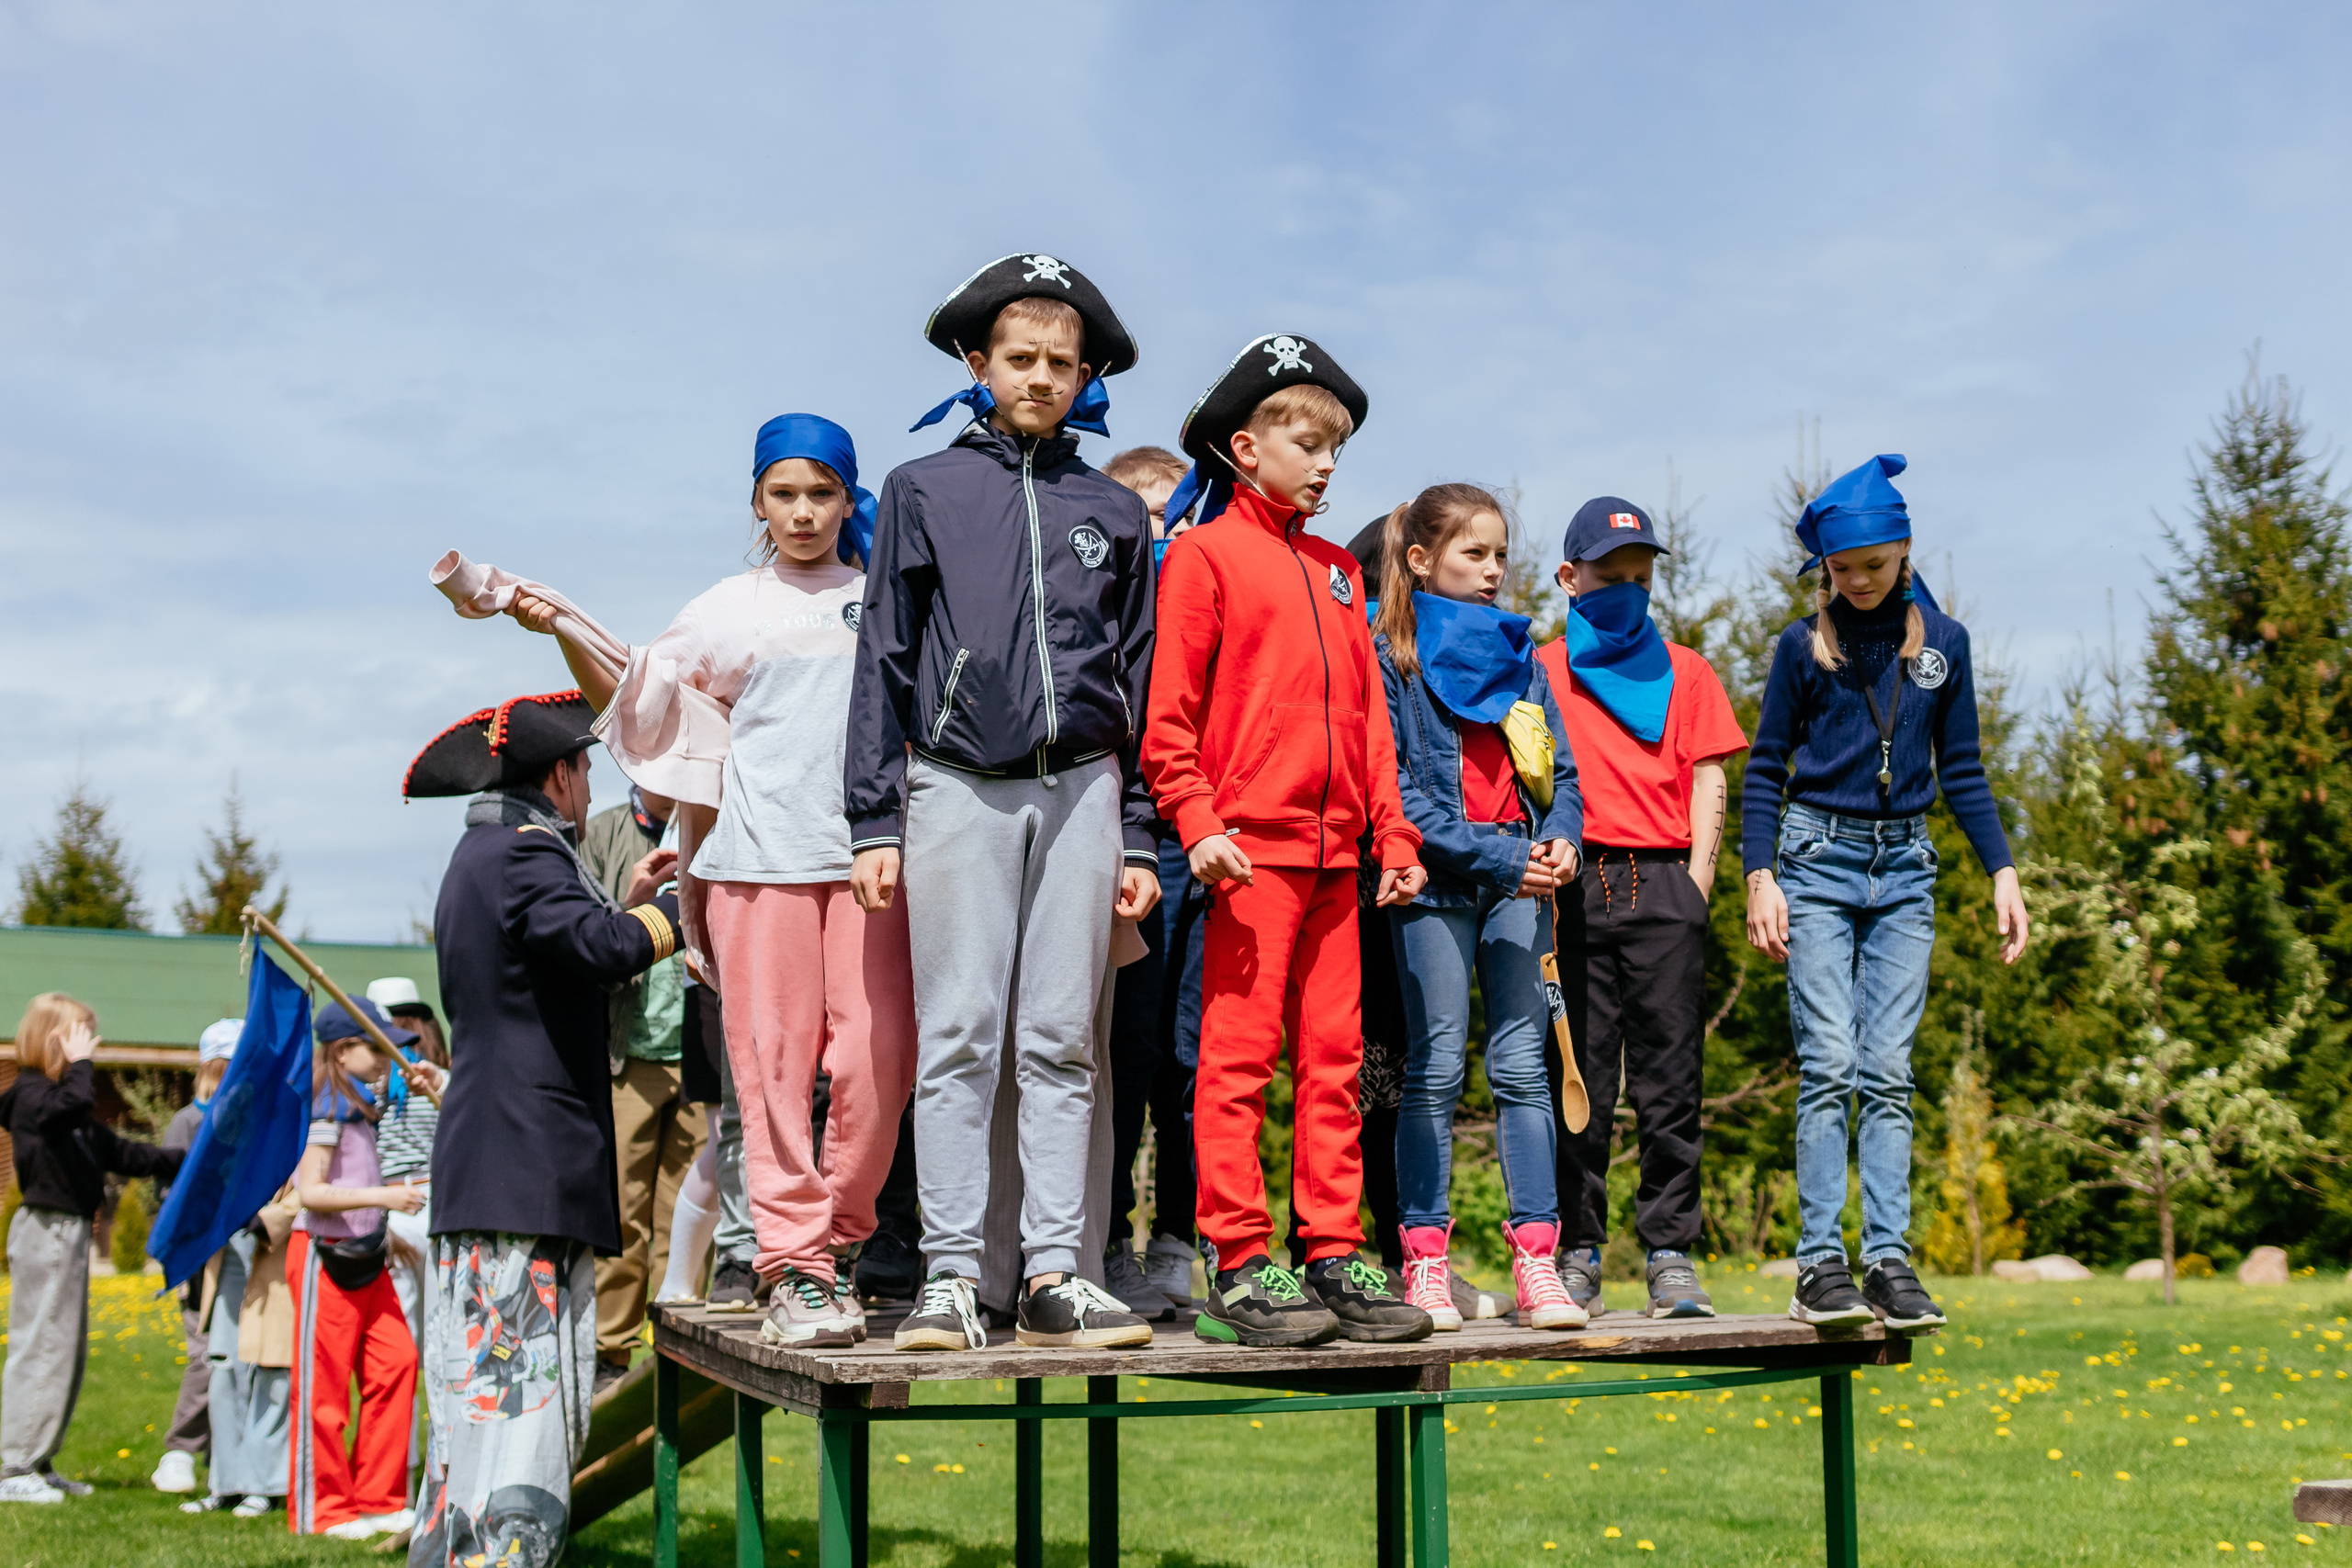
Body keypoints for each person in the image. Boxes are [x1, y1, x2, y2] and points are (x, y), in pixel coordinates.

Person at [523, 412, 917, 1353]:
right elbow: (639, 695)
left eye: (821, 492)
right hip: (752, 863)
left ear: (844, 497)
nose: (804, 511)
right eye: (783, 494)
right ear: (756, 503)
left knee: (878, 1057)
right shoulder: (725, 607)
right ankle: (794, 1265)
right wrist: (560, 625)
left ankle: (841, 1239)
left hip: (870, 860)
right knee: (772, 1072)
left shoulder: (886, 598)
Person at [845, 254, 1159, 1353]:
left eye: (1059, 365)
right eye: (1019, 359)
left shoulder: (1113, 509)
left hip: (1081, 790)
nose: (1038, 377)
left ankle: (1055, 1273)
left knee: (1062, 1038)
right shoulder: (925, 489)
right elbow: (884, 656)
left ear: (1085, 377)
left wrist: (1139, 832)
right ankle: (945, 1276)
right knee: (960, 1032)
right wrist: (873, 818)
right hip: (954, 787)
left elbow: (1140, 672)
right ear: (979, 366)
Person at [1143, 333, 1431, 1348]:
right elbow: (1166, 723)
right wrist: (1197, 821)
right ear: (1241, 445)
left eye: (1335, 451)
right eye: (1304, 442)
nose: (1322, 465)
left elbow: (1368, 721)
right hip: (1247, 854)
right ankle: (1236, 1259)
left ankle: (1333, 1252)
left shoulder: (1339, 574)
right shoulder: (1201, 556)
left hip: (1338, 861)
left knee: (1336, 1060)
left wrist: (1392, 836)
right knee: (1234, 1058)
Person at [1742, 454, 2029, 1335]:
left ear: (1905, 551)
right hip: (1816, 861)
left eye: (1874, 564)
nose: (1859, 582)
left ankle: (1890, 1260)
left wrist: (2003, 870)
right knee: (1829, 1063)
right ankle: (1820, 1263)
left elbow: (1967, 770)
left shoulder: (1945, 646)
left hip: (1905, 870)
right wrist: (1761, 876)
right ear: (1823, 570)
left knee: (1889, 1073)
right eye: (1842, 570)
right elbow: (1763, 770)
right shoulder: (1803, 647)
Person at [402, 689, 682, 1568]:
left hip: (493, 1167)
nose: (590, 784)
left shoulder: (478, 855)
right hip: (525, 1175)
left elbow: (555, 954)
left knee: (473, 1420)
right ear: (559, 776)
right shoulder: (528, 854)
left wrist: (615, 900)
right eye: (586, 768)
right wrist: (679, 913)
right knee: (519, 1423)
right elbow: (600, 950)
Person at [1374, 484, 1588, 1332]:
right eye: (1475, 553)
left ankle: (1538, 1261)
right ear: (1422, 560)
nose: (1495, 569)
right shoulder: (1392, 656)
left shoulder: (1523, 656)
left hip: (1522, 882)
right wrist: (1508, 855)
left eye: (1501, 554)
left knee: (1523, 1068)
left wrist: (1563, 838)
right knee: (1429, 1068)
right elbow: (1397, 796)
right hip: (1437, 881)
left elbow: (1559, 774)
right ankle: (1424, 1261)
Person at [1536, 497, 1751, 1320]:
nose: (1628, 589)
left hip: (1664, 883)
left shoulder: (1687, 670)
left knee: (1672, 1082)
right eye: (1609, 576)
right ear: (1570, 577)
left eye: (1641, 577)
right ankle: (1578, 1249)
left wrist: (1696, 884)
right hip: (1574, 883)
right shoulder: (1544, 666)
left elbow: (1709, 775)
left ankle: (1669, 1252)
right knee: (1578, 1075)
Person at [0, 993, 184, 1504]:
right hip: (49, 1231)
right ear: (54, 1039)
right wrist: (80, 1066)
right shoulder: (32, 1097)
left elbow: (125, 1153)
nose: (92, 1050)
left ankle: (38, 1459)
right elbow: (73, 1105)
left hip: (68, 1231)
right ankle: (14, 1468)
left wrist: (192, 1160)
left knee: (66, 1350)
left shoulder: (66, 1106)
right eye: (83, 1037)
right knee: (43, 1346)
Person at [1097, 442, 1201, 1317]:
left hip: (1204, 844)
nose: (1160, 531)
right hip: (1124, 845)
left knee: (1192, 1059)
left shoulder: (1204, 598)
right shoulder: (1101, 609)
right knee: (1124, 1053)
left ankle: (1178, 1239)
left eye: (1174, 513)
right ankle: (1107, 1241)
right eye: (1143, 515)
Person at [287, 998, 436, 1540]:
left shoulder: (361, 1104)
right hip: (323, 1257)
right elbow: (313, 1191)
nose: (388, 1057)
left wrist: (382, 1228)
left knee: (397, 1362)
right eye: (378, 1045)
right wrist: (389, 1199)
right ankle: (324, 1510)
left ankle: (378, 1497)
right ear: (345, 1049)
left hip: (367, 1254)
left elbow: (351, 1186)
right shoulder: (325, 1107)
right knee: (323, 1389)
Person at [571, 786, 706, 1389]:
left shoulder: (712, 817)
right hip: (627, 1056)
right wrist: (631, 902)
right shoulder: (600, 834)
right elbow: (582, 932)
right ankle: (611, 1352)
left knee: (690, 1210)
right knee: (622, 1211)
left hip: (699, 1053)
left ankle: (678, 1350)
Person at [152, 1016, 244, 1495]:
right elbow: (170, 1195)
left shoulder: (252, 1122)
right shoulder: (188, 1123)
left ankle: (225, 1453)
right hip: (200, 1262)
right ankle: (180, 1451)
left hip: (248, 1258)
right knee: (206, 1355)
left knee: (241, 1358)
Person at [181, 1180, 299, 1519]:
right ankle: (225, 1485)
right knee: (225, 1373)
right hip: (231, 1249)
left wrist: (272, 1219)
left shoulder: (300, 1128)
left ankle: (263, 1487)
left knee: (272, 1372)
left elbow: (311, 1183)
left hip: (276, 1255)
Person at [362, 977, 444, 1365]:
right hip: (399, 1205)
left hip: (424, 1201)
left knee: (423, 1331)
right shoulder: (368, 1088)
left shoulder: (441, 1079)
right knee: (409, 1335)